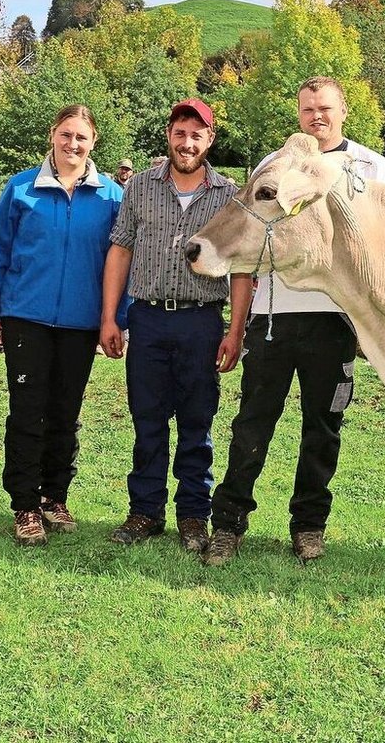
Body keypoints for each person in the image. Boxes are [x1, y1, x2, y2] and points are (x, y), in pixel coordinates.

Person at [204, 77, 385, 566]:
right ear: (298, 113)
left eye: (325, 108)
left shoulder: (372, 168)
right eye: (308, 108)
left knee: (323, 429)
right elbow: (243, 248)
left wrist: (375, 327)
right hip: (273, 318)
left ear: (344, 111)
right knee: (252, 424)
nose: (317, 116)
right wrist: (236, 327)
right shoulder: (273, 166)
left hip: (335, 324)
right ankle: (228, 524)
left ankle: (309, 526)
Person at [98, 98, 251, 552]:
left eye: (196, 135)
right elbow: (120, 249)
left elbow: (242, 268)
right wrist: (110, 317)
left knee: (196, 422)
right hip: (147, 318)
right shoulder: (139, 186)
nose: (187, 143)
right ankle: (145, 511)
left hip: (201, 321)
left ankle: (193, 515)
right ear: (169, 135)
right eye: (180, 133)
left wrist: (235, 331)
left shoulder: (228, 195)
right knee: (147, 419)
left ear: (210, 139)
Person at [0, 105, 124, 546]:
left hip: (81, 323)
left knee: (66, 413)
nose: (73, 144)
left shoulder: (112, 196)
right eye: (66, 134)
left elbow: (122, 262)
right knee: (28, 412)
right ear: (52, 135)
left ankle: (54, 497)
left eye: (81, 137)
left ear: (94, 141)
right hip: (26, 317)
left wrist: (116, 318)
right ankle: (25, 504)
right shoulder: (21, 187)